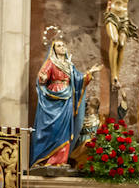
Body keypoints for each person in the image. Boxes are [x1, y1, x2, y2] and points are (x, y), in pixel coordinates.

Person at [31, 32, 100, 168]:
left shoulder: (69, 65)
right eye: (58, 46)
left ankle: (60, 160)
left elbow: (78, 80)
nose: (62, 48)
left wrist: (89, 73)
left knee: (65, 130)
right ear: (54, 49)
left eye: (63, 45)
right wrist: (43, 78)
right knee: (52, 128)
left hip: (67, 99)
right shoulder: (51, 62)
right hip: (53, 98)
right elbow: (42, 76)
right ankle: (46, 159)